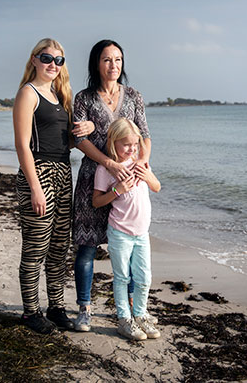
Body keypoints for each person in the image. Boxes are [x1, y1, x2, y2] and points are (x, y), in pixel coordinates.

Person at [72, 39, 154, 332]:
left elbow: (145, 136)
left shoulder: (133, 96)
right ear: (96, 63)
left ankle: (132, 310)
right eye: (107, 59)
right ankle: (84, 308)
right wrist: (109, 163)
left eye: (118, 59)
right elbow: (79, 139)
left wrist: (140, 164)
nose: (113, 65)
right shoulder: (84, 98)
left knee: (130, 247)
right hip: (94, 178)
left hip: (128, 184)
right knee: (87, 247)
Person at [12, 38, 93, 334]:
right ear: (34, 59)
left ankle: (56, 308)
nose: (53, 64)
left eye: (59, 60)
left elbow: (66, 142)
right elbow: (22, 145)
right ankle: (30, 313)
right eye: (46, 58)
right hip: (38, 172)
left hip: (62, 172)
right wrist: (35, 187)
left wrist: (88, 128)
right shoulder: (28, 93)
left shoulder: (60, 96)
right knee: (36, 247)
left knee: (59, 247)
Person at [93, 118, 161, 340]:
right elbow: (96, 201)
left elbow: (157, 187)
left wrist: (148, 176)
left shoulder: (141, 164)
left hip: (142, 233)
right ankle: (124, 319)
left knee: (144, 277)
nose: (132, 149)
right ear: (113, 143)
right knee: (122, 277)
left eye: (135, 144)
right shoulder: (106, 170)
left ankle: (140, 315)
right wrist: (117, 190)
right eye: (126, 145)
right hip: (120, 232)